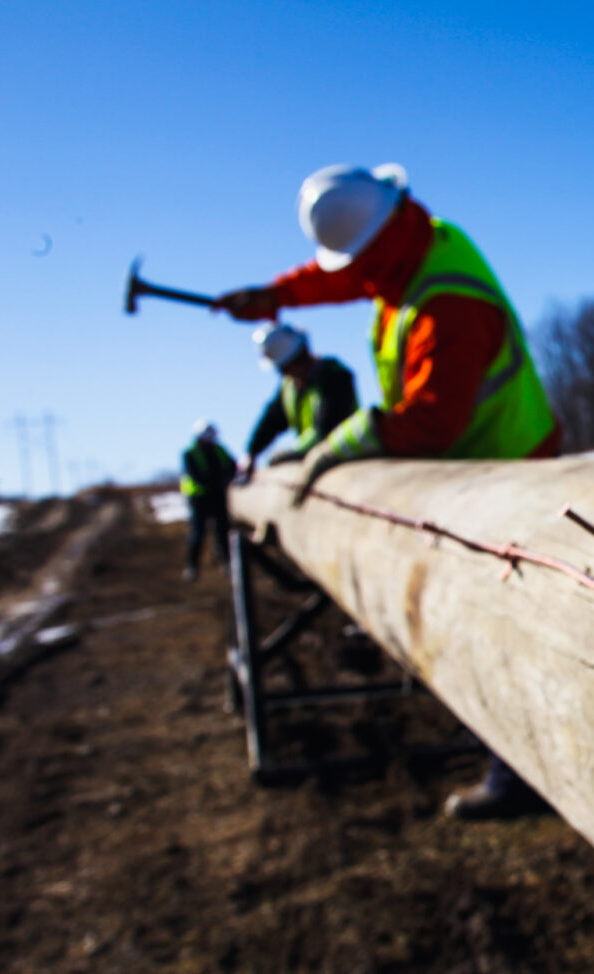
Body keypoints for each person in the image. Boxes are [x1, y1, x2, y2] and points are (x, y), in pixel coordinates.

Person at [214, 163, 561, 819]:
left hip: (513, 473)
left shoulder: (446, 303)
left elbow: (430, 423)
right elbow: (337, 276)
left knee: (502, 632)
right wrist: (271, 296)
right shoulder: (414, 243)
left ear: (373, 246)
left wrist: (339, 446)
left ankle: (520, 778)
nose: (352, 276)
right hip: (476, 471)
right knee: (489, 630)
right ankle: (514, 767)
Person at [240, 324, 359, 477]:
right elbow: (272, 420)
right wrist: (251, 452)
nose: (285, 374)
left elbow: (329, 428)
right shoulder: (290, 387)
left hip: (344, 456)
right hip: (311, 459)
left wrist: (295, 452)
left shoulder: (334, 375)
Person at [179, 421, 235, 583]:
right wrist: (216, 482)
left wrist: (226, 479)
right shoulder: (190, 453)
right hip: (199, 499)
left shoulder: (219, 449)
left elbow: (232, 465)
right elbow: (195, 476)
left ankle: (227, 563)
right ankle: (192, 566)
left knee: (223, 530)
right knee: (198, 533)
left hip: (218, 496)